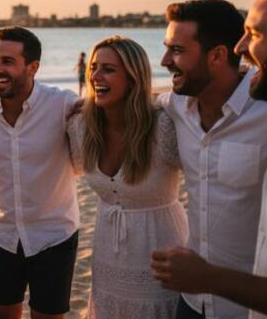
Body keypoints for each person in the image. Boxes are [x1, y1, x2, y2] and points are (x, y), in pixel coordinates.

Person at [152, 0, 267, 319]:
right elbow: (150, 98)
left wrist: (210, 278)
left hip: (241, 305)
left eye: (256, 34)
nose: (241, 48)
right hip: (193, 303)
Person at [155, 0, 267, 319]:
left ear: (217, 55)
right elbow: (136, 102)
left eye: (178, 51)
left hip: (251, 306)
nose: (164, 60)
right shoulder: (176, 106)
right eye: (166, 48)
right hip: (191, 302)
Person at [67, 36, 186, 318]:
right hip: (107, 255)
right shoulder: (81, 127)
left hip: (161, 255)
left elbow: (207, 179)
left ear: (133, 78)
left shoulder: (164, 126)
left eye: (108, 69)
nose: (95, 76)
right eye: (94, 67)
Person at [0, 26, 79, 319]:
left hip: (54, 236)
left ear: (33, 67)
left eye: (7, 61)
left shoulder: (62, 104)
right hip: (1, 234)